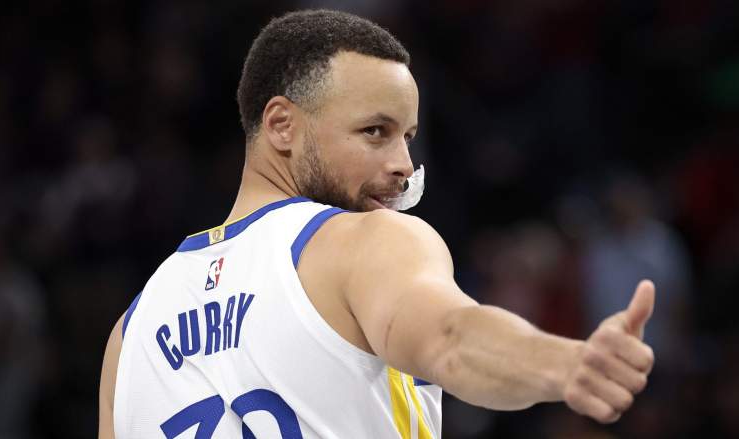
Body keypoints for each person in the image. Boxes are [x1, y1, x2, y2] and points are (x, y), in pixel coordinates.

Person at [99, 9, 655, 438]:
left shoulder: (131, 331)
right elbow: (450, 338)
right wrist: (566, 364)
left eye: (408, 138)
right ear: (282, 125)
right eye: (375, 131)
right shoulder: (360, 240)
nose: (403, 166)